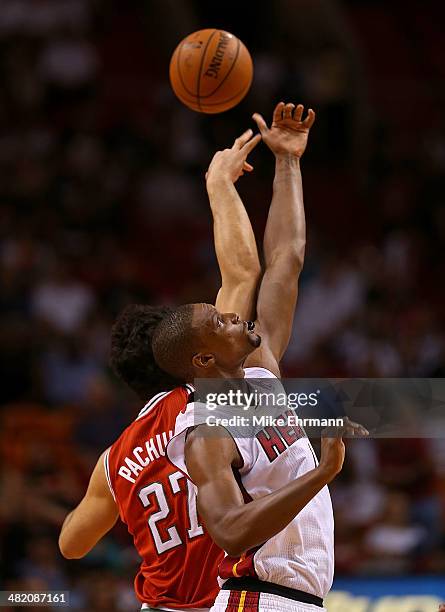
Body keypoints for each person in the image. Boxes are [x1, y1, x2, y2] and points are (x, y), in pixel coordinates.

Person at [164, 102, 367, 612]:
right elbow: (230, 532)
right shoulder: (204, 431)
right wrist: (322, 473)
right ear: (205, 362)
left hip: (295, 598)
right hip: (255, 599)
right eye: (220, 323)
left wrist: (288, 160)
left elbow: (286, 260)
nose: (234, 317)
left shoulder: (260, 373)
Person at [58, 127, 264, 611]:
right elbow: (242, 273)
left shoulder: (112, 460)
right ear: (186, 358)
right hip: (227, 603)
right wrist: (219, 184)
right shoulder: (207, 401)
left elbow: (71, 544)